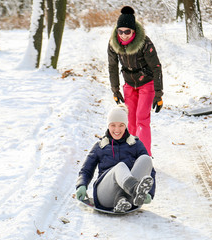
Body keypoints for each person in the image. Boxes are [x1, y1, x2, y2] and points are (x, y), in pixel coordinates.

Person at [76, 104, 156, 213]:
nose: (117, 129)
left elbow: (150, 171)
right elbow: (86, 170)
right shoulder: (100, 146)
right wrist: (81, 185)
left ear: (126, 126)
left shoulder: (135, 144)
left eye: (121, 125)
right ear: (108, 125)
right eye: (113, 125)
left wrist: (149, 193)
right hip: (104, 195)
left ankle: (122, 200)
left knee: (146, 159)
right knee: (121, 166)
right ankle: (135, 189)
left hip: (129, 199)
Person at [108, 6, 163, 156]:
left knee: (142, 119)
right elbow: (112, 66)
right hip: (129, 84)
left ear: (133, 31)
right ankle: (130, 154)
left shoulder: (144, 43)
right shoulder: (114, 44)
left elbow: (156, 67)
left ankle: (145, 156)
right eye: (121, 31)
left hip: (147, 82)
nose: (124, 35)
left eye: (127, 32)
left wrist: (158, 94)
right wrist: (115, 90)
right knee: (130, 121)